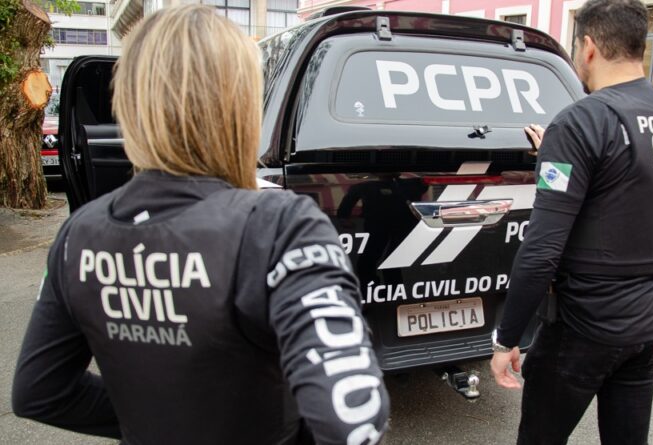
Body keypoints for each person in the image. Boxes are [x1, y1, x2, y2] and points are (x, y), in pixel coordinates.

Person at [12, 6, 389, 444]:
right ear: (241, 105)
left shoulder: (77, 235)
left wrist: (157, 418)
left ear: (129, 105)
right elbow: (353, 423)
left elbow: (42, 392)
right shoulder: (280, 226)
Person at [489, 0, 653, 443]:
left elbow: (541, 250)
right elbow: (628, 189)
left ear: (589, 46)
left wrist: (507, 338)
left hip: (584, 330)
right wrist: (558, 156)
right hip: (651, 326)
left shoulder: (580, 122)